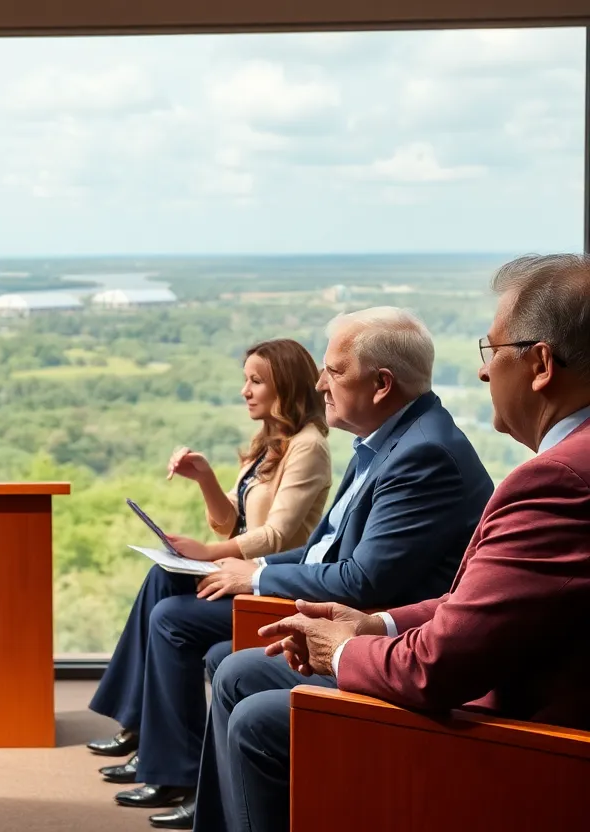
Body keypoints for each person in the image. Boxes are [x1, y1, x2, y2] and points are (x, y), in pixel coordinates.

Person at [192, 254, 590, 832]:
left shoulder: (558, 480)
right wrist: (377, 626)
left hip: (529, 744)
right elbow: (500, 602)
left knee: (258, 718)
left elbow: (439, 667)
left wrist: (342, 650)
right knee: (241, 674)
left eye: (492, 351)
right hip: (503, 683)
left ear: (541, 364)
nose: (484, 373)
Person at [101, 308, 496, 830]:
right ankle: (170, 762)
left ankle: (182, 776)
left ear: (381, 385)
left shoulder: (421, 455)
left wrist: (253, 574)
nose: (319, 383)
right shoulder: (383, 441)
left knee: (212, 649)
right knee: (197, 620)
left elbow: (364, 580)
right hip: (357, 611)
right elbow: (320, 551)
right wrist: (253, 566)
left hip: (384, 628)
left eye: (332, 370)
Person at [89, 338, 333, 783]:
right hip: (241, 569)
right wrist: (204, 478)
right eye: (246, 380)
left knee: (168, 613)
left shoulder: (308, 446)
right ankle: (142, 728)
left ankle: (160, 751)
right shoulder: (268, 441)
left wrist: (208, 554)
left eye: (256, 381)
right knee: (161, 578)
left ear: (287, 386)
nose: (245, 390)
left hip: (272, 583)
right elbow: (231, 523)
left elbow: (276, 535)